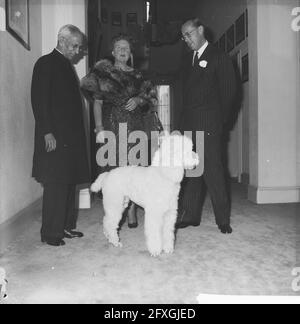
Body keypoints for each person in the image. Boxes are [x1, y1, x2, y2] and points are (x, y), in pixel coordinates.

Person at [81, 34, 158, 228]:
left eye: (126, 48)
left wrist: (139, 100)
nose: (123, 51)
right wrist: (99, 129)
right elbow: (97, 103)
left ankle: (131, 210)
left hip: (135, 128)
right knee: (114, 171)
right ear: (113, 52)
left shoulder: (140, 76)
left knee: (134, 171)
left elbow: (151, 100)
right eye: (119, 47)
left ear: (130, 53)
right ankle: (114, 210)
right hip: (112, 126)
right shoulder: (101, 73)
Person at [176, 18, 237, 234]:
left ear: (201, 30)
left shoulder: (219, 56)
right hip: (189, 124)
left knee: (213, 171)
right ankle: (191, 215)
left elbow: (230, 93)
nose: (186, 40)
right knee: (192, 171)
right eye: (183, 37)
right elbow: (183, 97)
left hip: (209, 124)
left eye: (189, 34)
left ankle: (222, 220)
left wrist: (219, 122)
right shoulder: (186, 60)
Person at [31, 25, 90, 246]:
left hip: (69, 139)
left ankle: (65, 227)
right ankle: (50, 233)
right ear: (62, 41)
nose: (77, 51)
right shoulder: (46, 63)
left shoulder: (65, 65)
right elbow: (39, 100)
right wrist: (47, 132)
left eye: (79, 47)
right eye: (74, 46)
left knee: (68, 183)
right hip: (54, 136)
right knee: (56, 184)